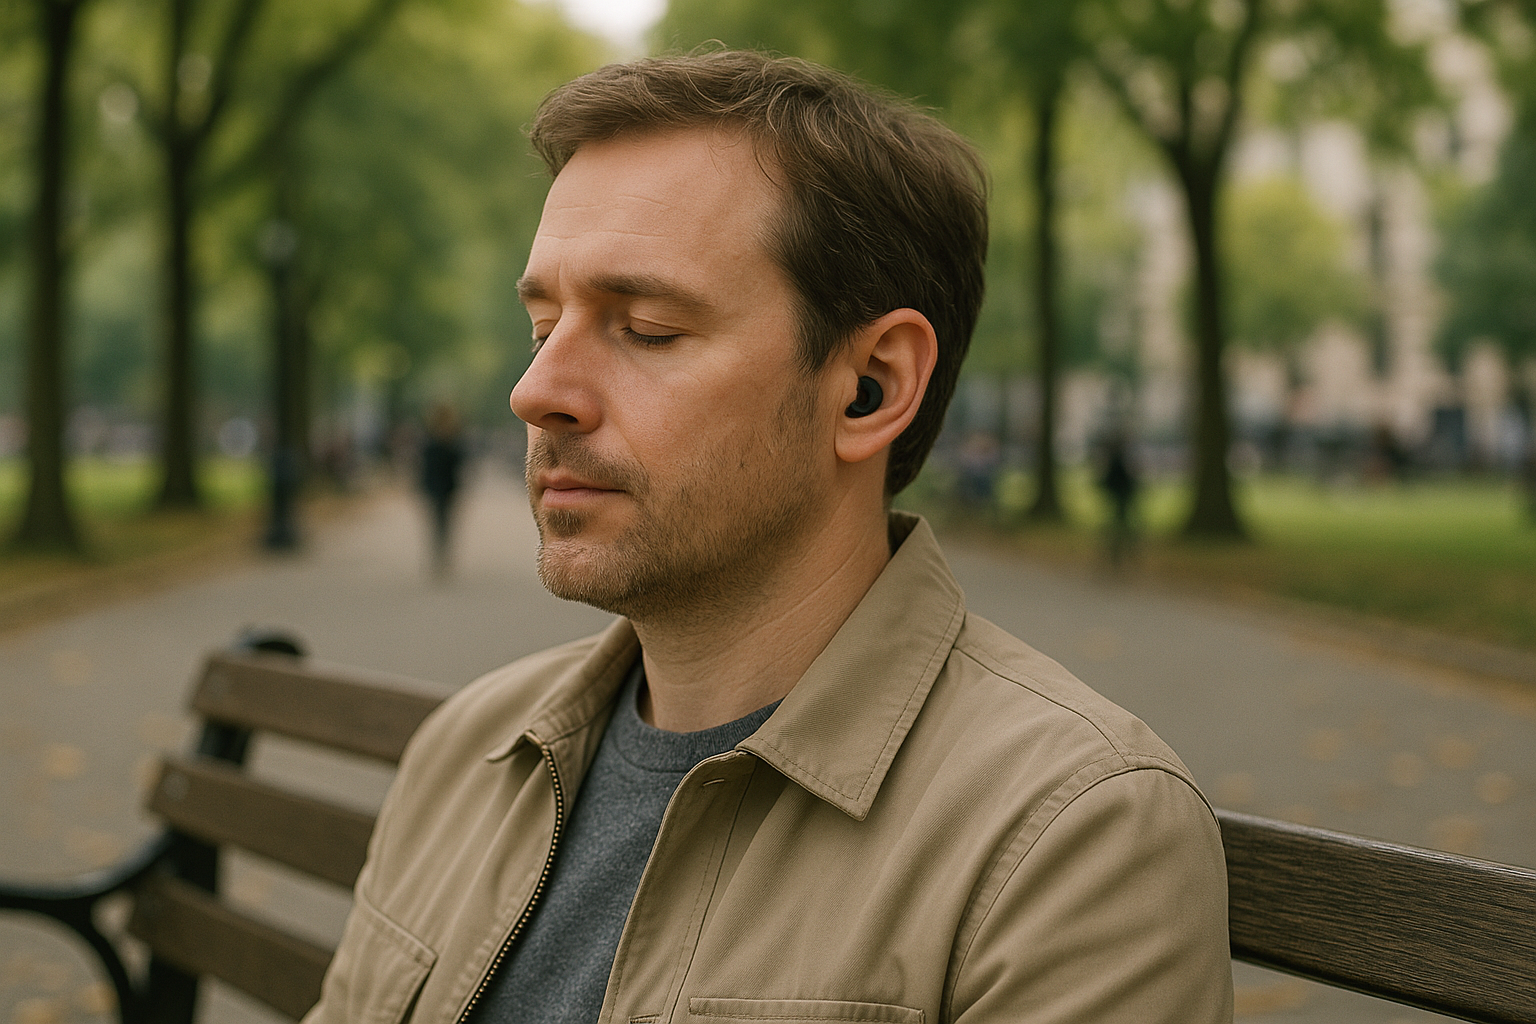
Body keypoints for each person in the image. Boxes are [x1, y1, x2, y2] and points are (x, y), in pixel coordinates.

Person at [307, 52, 1231, 1024]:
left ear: (870, 384)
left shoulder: (1070, 837)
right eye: (543, 328)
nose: (535, 392)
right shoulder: (468, 750)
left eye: (648, 328)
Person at [419, 402, 467, 577]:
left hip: (440, 487)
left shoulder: (436, 439)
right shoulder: (448, 440)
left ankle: (440, 556)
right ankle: (441, 556)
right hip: (441, 487)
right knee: (442, 523)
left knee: (440, 523)